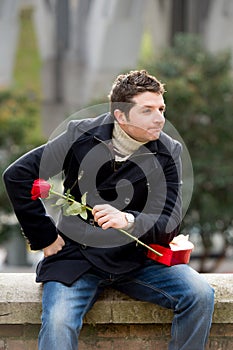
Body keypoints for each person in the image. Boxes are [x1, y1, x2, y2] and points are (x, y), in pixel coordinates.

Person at [3, 70, 214, 350]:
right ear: (121, 116)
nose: (160, 118)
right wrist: (45, 237)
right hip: (77, 258)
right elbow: (17, 175)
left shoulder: (169, 151)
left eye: (161, 108)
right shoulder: (80, 134)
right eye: (147, 110)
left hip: (139, 259)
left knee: (200, 295)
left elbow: (170, 221)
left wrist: (129, 220)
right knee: (58, 322)